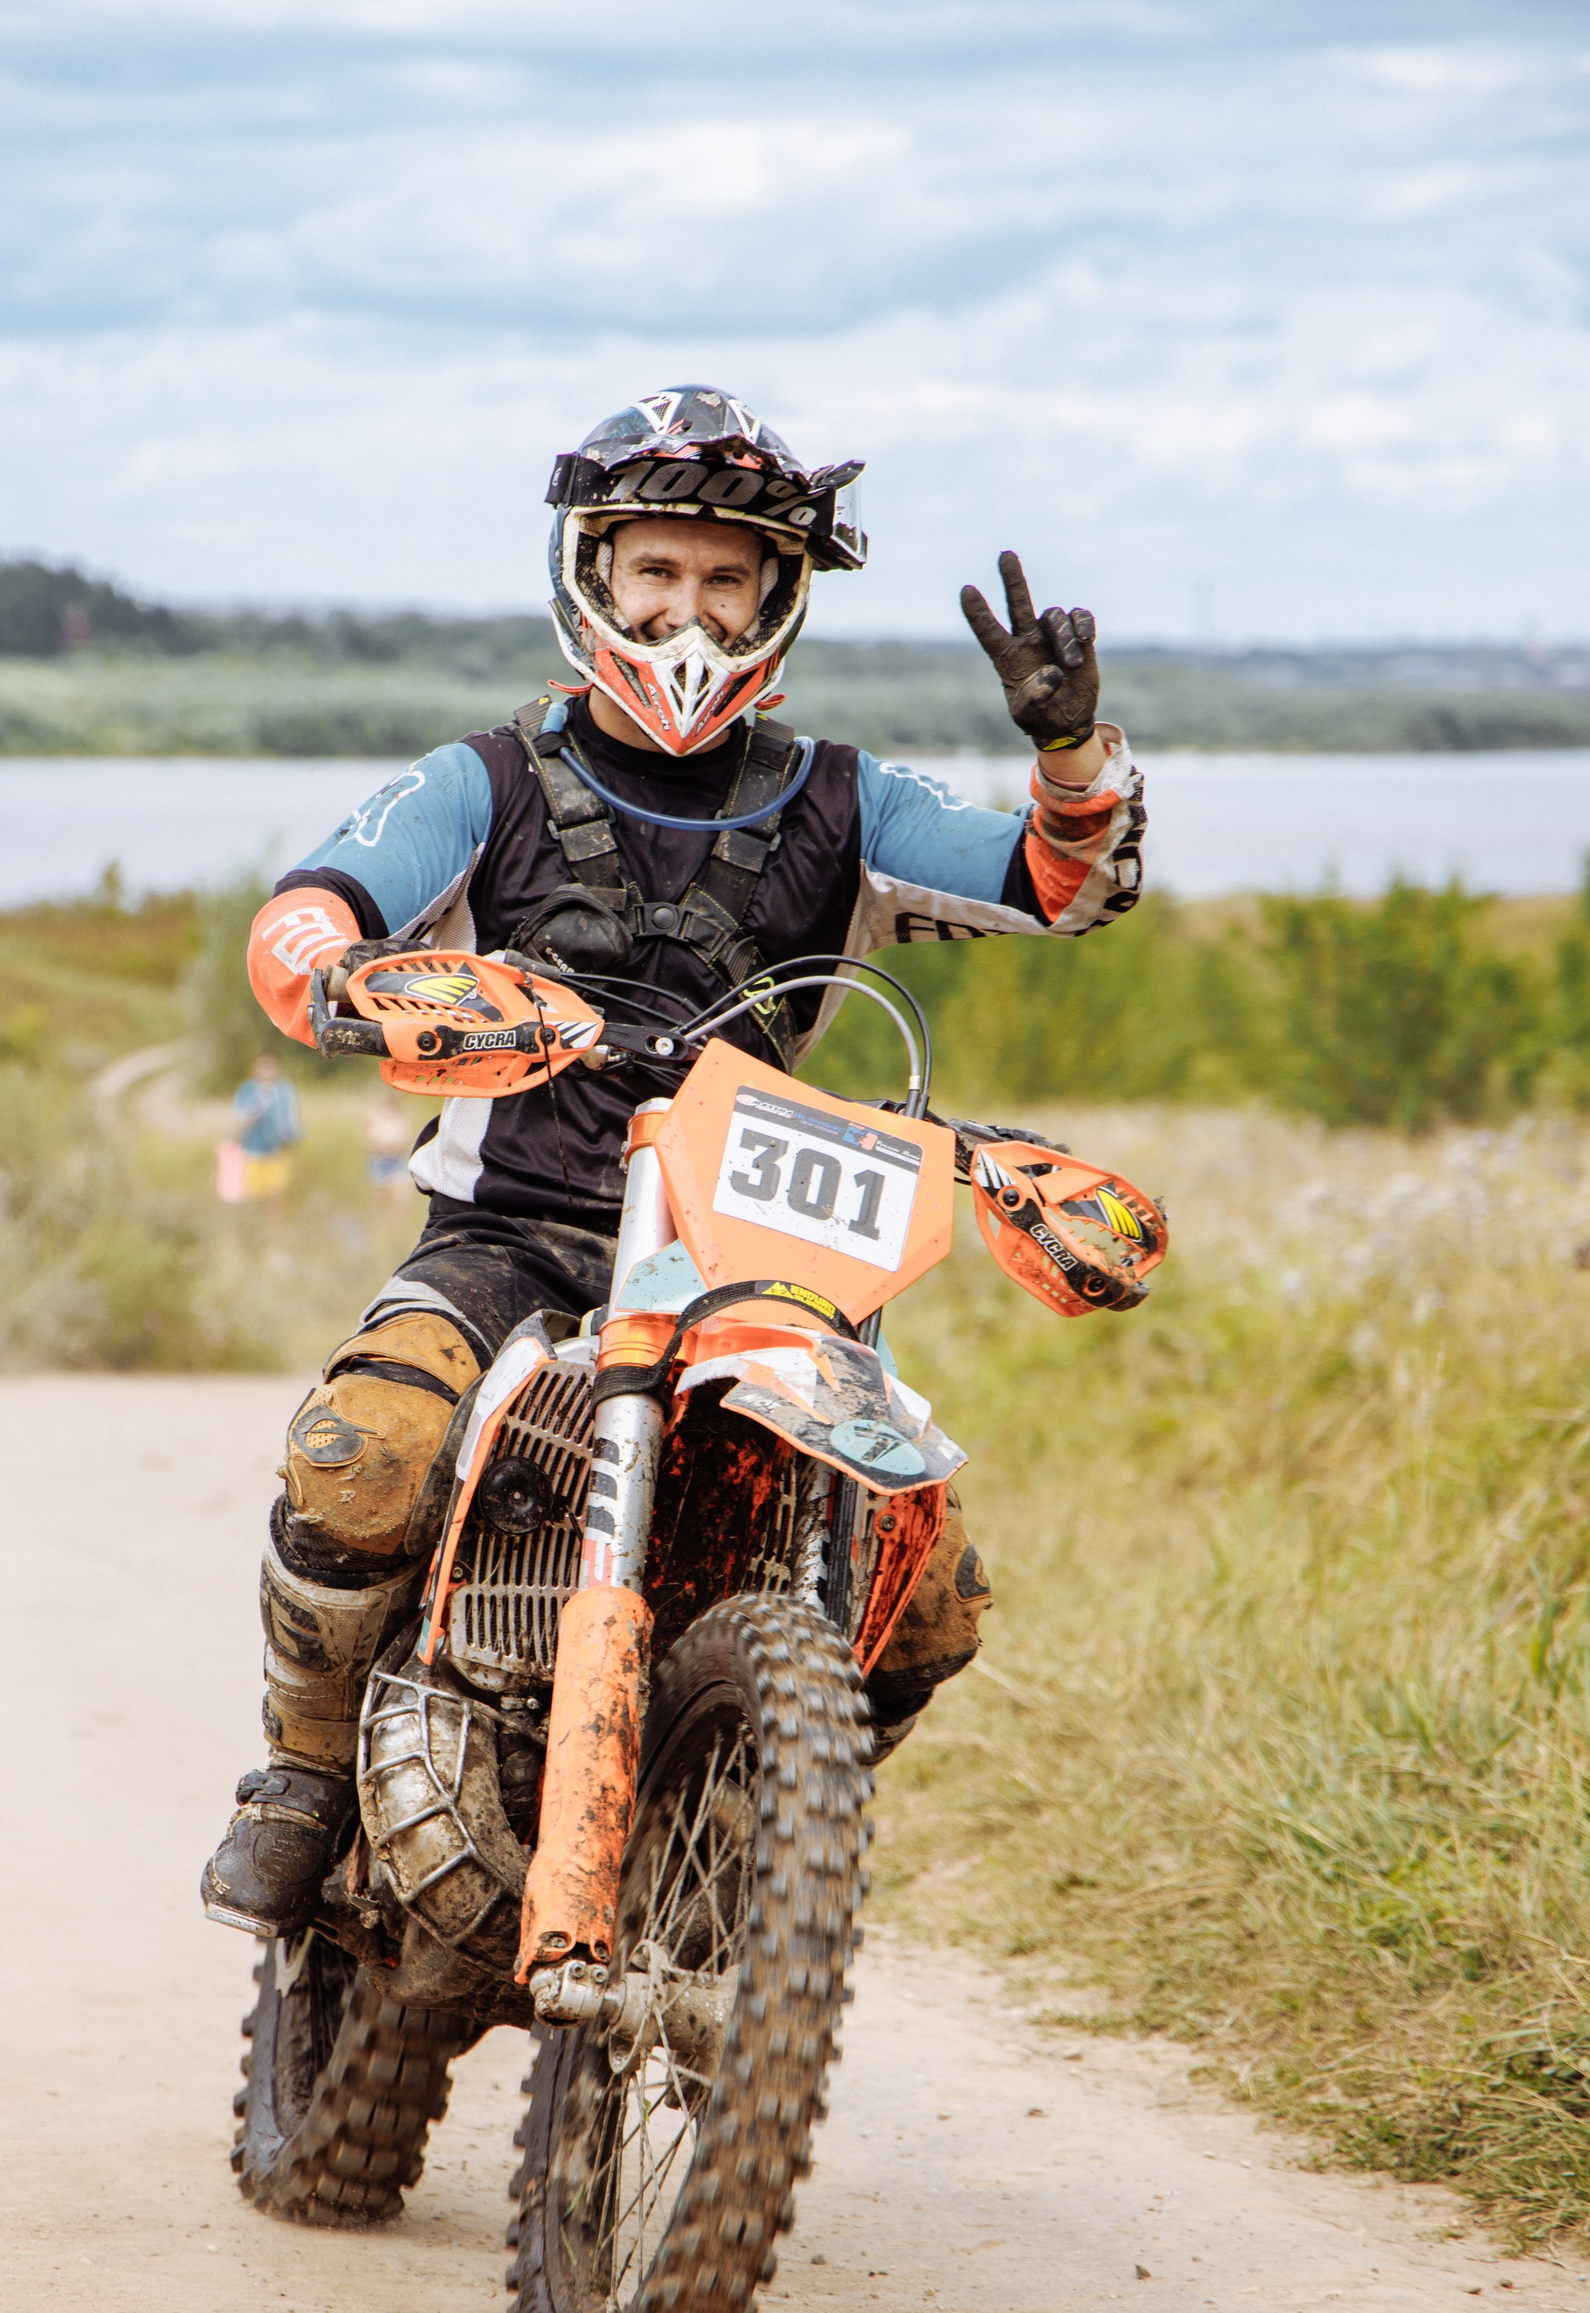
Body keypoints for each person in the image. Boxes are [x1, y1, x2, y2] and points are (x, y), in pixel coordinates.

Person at [201, 384, 1146, 1936]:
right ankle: (301, 1777)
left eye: (723, 576)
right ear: (596, 573)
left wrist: (1068, 750)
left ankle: (746, 1809)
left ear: (776, 595)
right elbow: (304, 915)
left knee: (930, 1595)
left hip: (748, 1253)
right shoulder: (486, 779)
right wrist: (352, 980)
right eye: (656, 569)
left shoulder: (846, 797)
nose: (686, 607)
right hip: (512, 1230)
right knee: (363, 1449)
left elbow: (1063, 882)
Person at [226, 1052, 300, 1203]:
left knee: (278, 1188)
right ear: (254, 1068)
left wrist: (293, 1136)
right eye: (263, 1066)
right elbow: (238, 1116)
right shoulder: (247, 1090)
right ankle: (257, 1213)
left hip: (278, 1146)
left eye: (271, 1066)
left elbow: (292, 1115)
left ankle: (275, 1217)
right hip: (252, 1146)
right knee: (254, 1189)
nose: (267, 1070)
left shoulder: (285, 1090)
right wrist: (249, 1119)